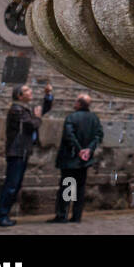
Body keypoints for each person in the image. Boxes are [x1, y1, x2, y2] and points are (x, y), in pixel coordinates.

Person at [0, 81, 53, 227]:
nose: (31, 91)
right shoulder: (16, 110)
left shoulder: (24, 109)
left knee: (15, 185)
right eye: (27, 90)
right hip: (17, 151)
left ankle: (3, 215)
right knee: (11, 185)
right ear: (20, 96)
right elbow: (31, 124)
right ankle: (0, 217)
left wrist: (48, 95)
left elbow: (42, 109)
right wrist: (38, 117)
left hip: (22, 152)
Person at [50, 93, 104, 224]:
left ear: (79, 104)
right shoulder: (94, 118)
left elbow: (69, 136)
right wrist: (88, 150)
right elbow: (98, 136)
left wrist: (79, 150)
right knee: (80, 188)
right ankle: (76, 215)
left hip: (71, 158)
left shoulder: (72, 117)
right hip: (84, 159)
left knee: (68, 185)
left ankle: (62, 215)